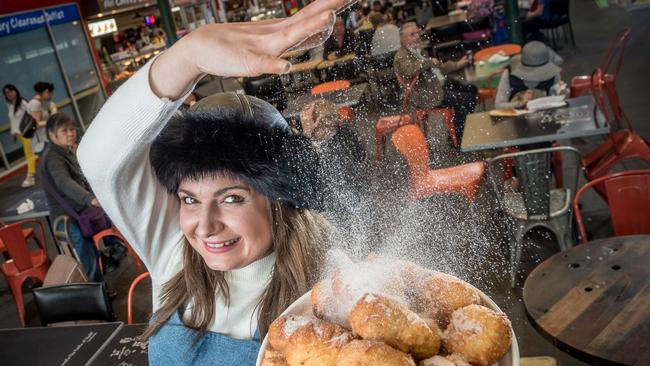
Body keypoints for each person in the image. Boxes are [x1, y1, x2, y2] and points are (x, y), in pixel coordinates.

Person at [76, 0, 348, 363]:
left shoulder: (332, 279)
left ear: (280, 199)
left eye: (232, 198)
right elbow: (98, 158)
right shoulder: (174, 250)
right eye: (189, 199)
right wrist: (188, 57)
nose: (204, 226)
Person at [39, 113, 107, 282]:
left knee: (91, 255)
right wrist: (89, 198)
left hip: (77, 215)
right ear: (52, 135)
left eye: (72, 129)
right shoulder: (53, 157)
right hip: (68, 219)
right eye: (64, 130)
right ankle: (96, 299)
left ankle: (100, 294)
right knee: (86, 260)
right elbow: (63, 182)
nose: (70, 133)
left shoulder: (63, 152)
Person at [393, 22, 477, 143]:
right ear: (402, 39)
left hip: (439, 86)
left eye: (417, 33)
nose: (417, 36)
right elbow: (409, 70)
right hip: (427, 95)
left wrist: (458, 64)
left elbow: (440, 66)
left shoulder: (418, 51)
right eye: (412, 34)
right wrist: (429, 62)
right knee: (466, 99)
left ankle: (458, 127)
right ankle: (458, 138)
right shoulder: (401, 56)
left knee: (472, 89)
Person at [494, 41, 565, 109]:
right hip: (516, 118)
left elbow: (556, 99)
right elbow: (498, 105)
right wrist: (521, 103)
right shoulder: (510, 74)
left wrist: (562, 95)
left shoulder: (553, 74)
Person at [3, 84, 37, 188]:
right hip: (19, 135)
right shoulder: (10, 104)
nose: (8, 94)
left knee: (29, 155)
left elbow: (32, 115)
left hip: (27, 133)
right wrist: (13, 133)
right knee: (32, 153)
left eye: (10, 91)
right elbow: (13, 121)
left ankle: (30, 176)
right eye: (6, 93)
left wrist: (32, 127)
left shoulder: (22, 102)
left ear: (15, 90)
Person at [26, 81, 56, 163]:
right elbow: (37, 124)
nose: (51, 96)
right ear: (46, 92)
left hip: (42, 142)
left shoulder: (36, 102)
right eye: (51, 93)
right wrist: (53, 113)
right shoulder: (35, 103)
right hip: (42, 143)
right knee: (53, 164)